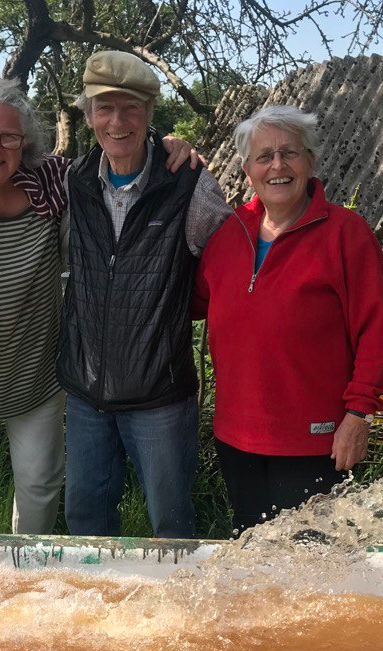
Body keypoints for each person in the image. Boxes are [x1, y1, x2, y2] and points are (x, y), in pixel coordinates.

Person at [0, 75, 199, 535]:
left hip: (34, 377)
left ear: (25, 144)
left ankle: (28, 588)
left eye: (9, 137)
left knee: (39, 486)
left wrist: (168, 142)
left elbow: (119, 156)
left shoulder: (55, 184)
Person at [193, 105, 383, 535]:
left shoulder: (346, 233)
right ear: (247, 169)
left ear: (311, 161)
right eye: (264, 156)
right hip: (237, 436)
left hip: (314, 440)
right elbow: (193, 304)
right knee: (251, 556)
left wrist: (359, 415)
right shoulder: (227, 235)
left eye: (290, 153)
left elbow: (374, 332)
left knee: (311, 566)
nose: (277, 166)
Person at [59, 51, 231, 540]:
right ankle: (99, 614)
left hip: (160, 396)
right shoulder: (73, 182)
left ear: (151, 112)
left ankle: (173, 617)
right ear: (89, 114)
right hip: (86, 393)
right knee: (86, 523)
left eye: (131, 107)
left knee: (171, 529)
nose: (117, 121)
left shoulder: (190, 184)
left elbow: (231, 270)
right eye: (104, 108)